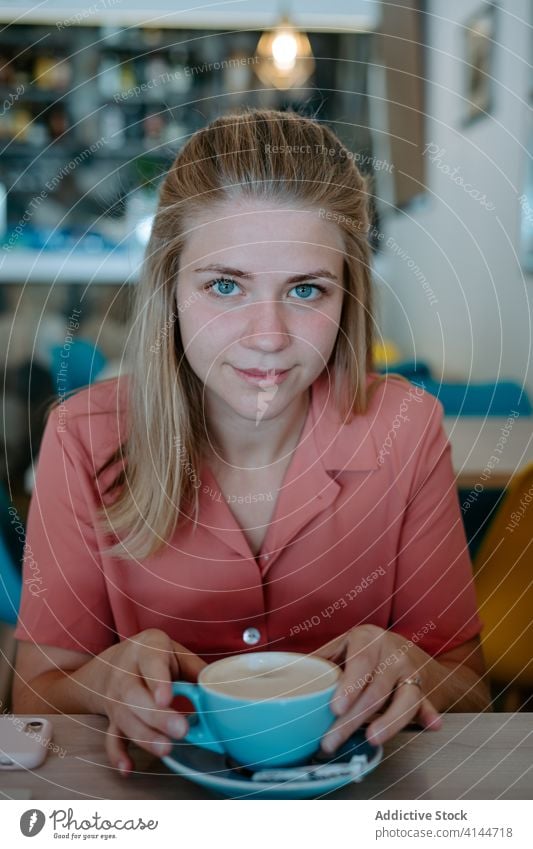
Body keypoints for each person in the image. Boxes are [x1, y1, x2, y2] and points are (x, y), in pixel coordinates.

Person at [12, 108, 490, 777]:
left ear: (347, 298)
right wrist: (105, 676)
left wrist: (415, 672)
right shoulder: (81, 436)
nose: (266, 335)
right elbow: (35, 692)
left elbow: (469, 688)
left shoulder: (406, 430)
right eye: (225, 285)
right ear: (169, 290)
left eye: (304, 288)